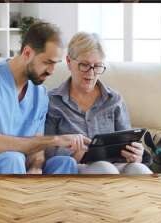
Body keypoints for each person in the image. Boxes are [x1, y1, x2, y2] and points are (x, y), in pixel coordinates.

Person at [0, 22, 90, 175]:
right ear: (27, 53)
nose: (51, 71)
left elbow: (36, 149)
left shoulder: (40, 94)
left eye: (55, 64)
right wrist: (55, 140)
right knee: (12, 159)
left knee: (65, 163)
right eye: (47, 62)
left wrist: (35, 167)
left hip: (20, 166)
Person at [45, 32, 153, 174]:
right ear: (69, 62)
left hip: (117, 165)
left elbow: (129, 141)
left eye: (97, 66)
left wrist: (137, 155)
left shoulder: (114, 99)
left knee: (139, 170)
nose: (91, 73)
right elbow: (45, 149)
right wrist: (73, 154)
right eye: (84, 65)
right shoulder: (53, 101)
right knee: (104, 169)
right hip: (77, 167)